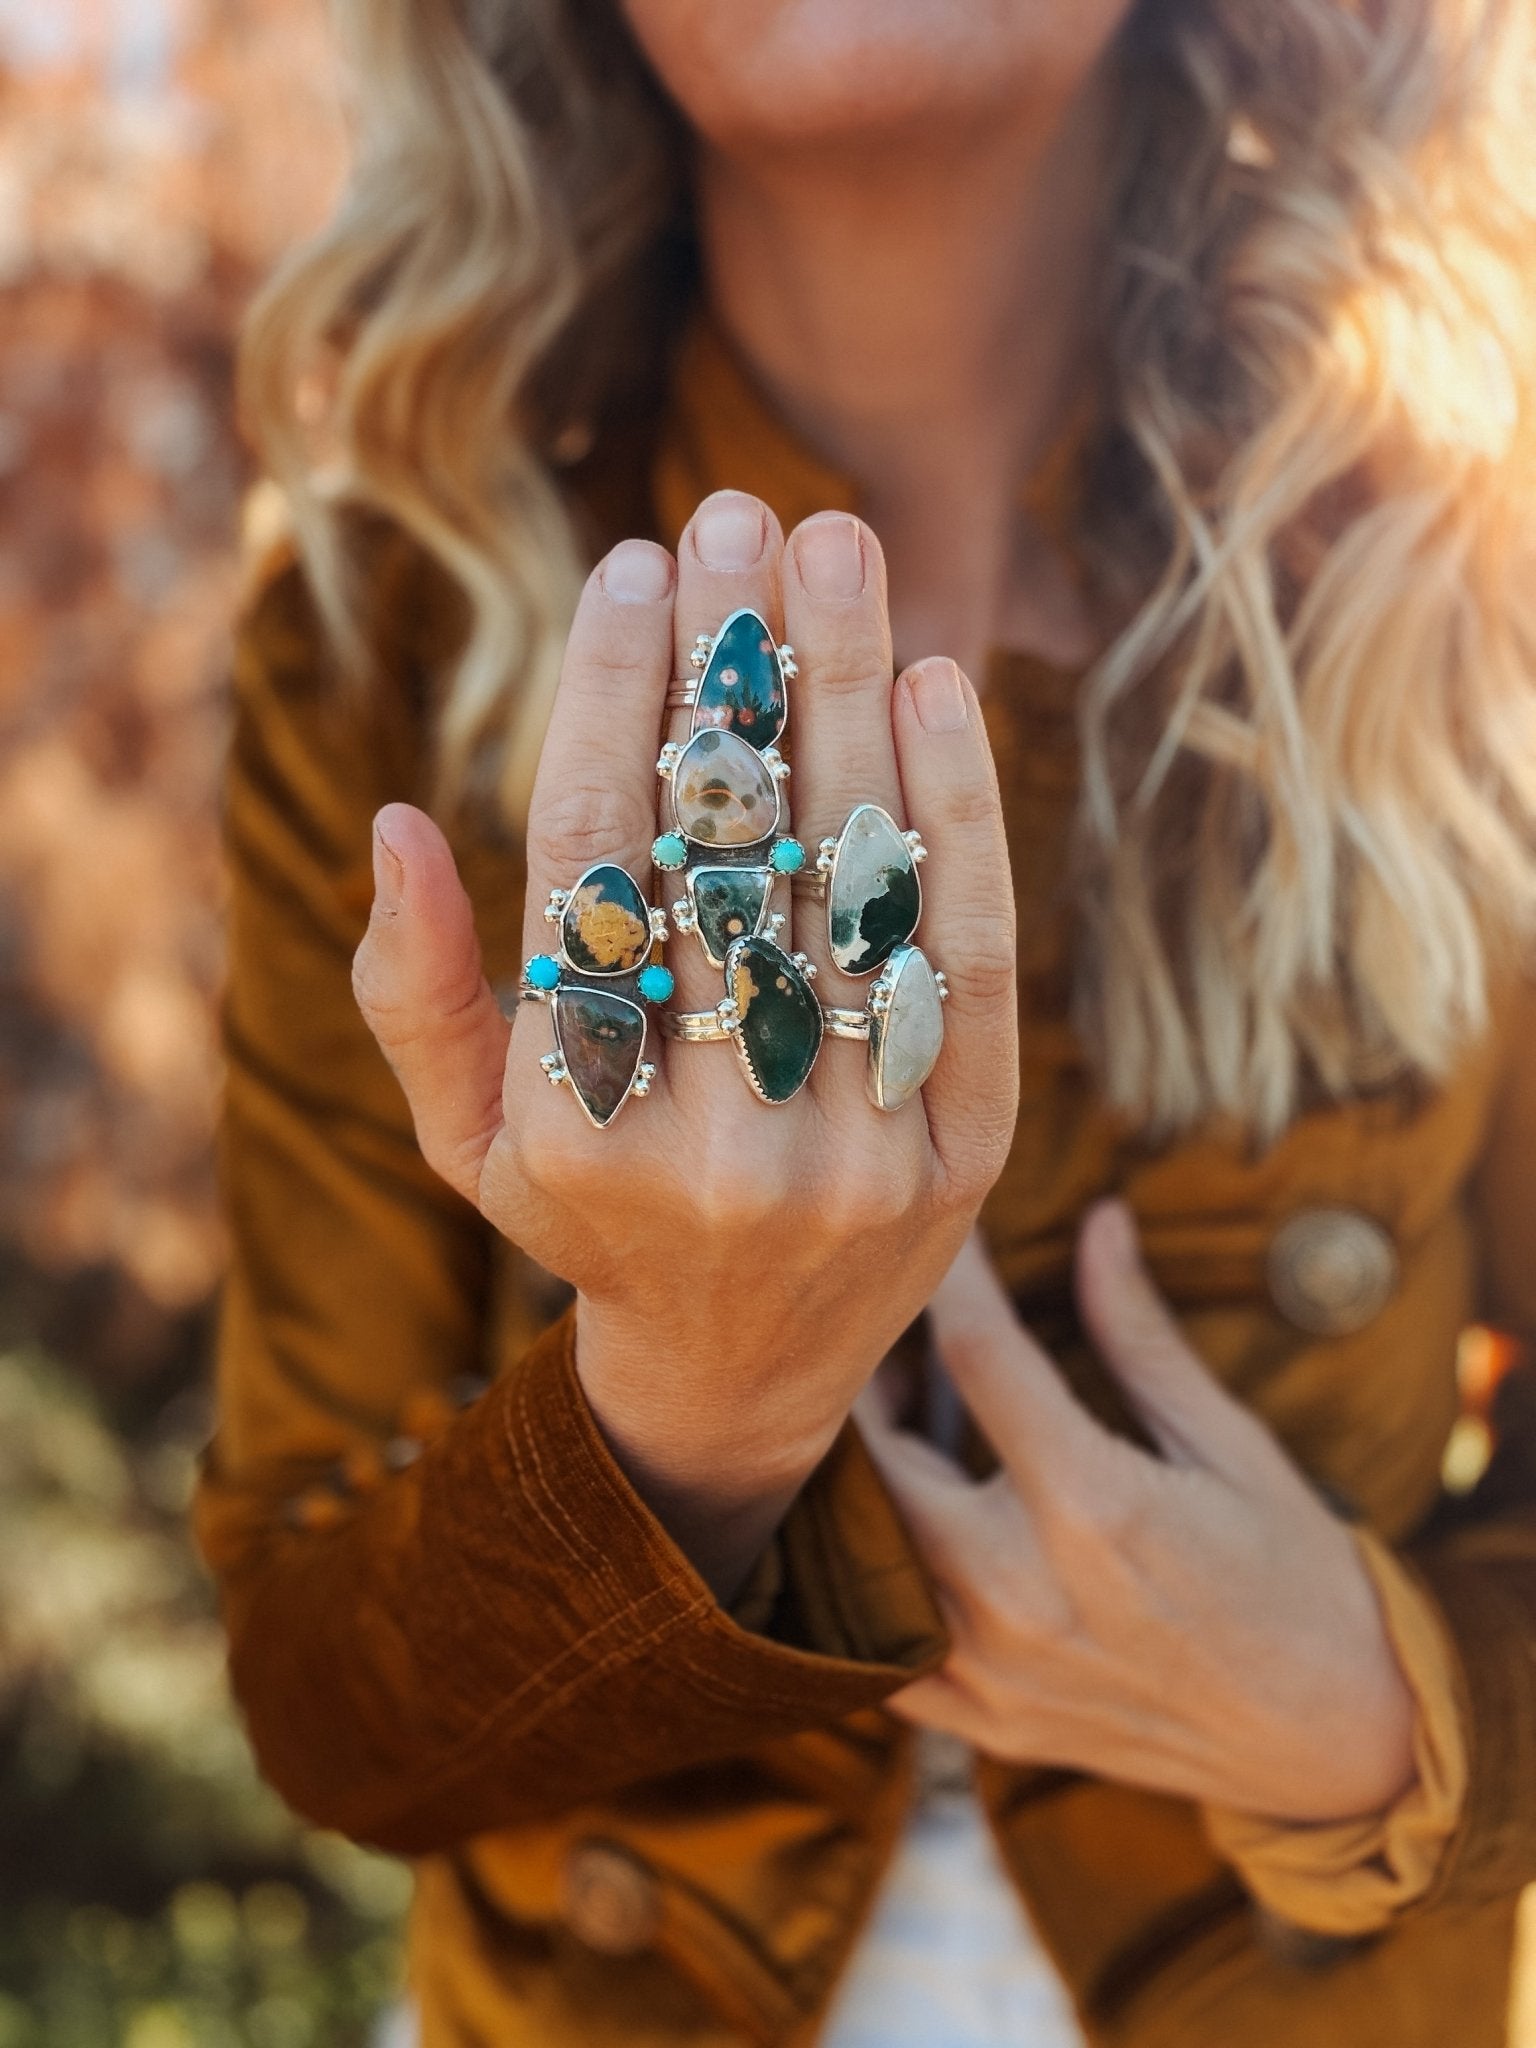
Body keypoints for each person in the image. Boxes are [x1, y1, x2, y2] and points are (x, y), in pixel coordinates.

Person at [196, 1, 1536, 2043]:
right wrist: (682, 1422)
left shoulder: (1477, 577)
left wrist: (1382, 1702)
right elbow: (320, 1711)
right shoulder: (390, 628)